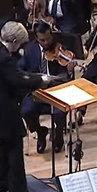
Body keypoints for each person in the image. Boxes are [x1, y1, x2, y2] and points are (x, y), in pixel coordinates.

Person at [0, 22, 51, 192]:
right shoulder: (4, 59)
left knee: (5, 144)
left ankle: (0, 182)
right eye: (20, 43)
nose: (21, 47)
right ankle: (17, 190)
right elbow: (18, 79)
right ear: (12, 40)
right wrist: (41, 80)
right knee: (14, 147)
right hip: (4, 109)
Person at [19, 22, 73, 154]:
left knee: (58, 113)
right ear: (36, 38)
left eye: (48, 38)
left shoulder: (60, 48)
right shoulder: (30, 49)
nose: (46, 42)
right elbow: (21, 68)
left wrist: (70, 71)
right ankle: (40, 131)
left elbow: (67, 77)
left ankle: (59, 135)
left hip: (57, 92)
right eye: (42, 40)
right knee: (25, 111)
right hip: (38, 91)